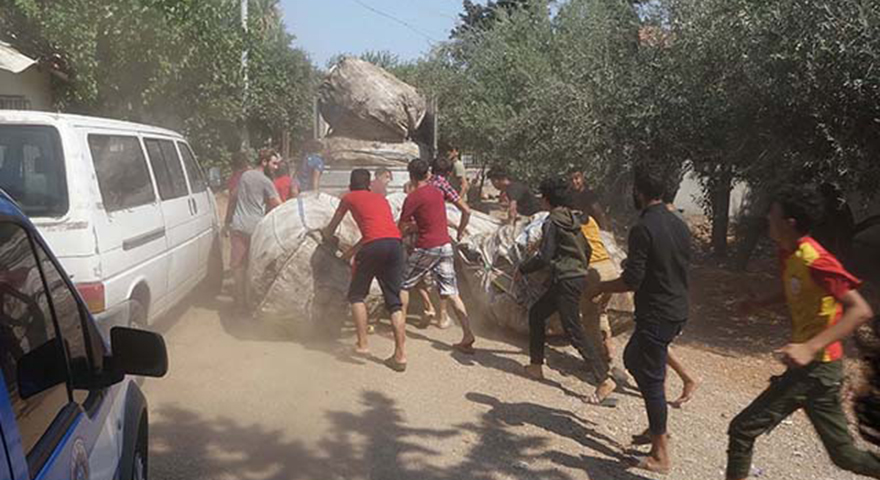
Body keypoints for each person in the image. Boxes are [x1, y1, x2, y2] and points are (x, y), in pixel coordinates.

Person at [726, 187, 880, 480]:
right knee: (844, 455)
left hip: (817, 367)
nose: (768, 217)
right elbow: (793, 288)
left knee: (742, 429)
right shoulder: (789, 254)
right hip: (816, 370)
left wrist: (810, 347)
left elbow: (860, 310)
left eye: (773, 213)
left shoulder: (818, 260)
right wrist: (758, 303)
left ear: (790, 222)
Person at [591, 165, 691, 474]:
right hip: (677, 307)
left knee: (651, 377)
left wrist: (599, 286)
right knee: (635, 359)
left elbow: (632, 280)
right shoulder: (679, 224)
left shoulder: (643, 227)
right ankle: (655, 425)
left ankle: (660, 453)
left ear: (638, 192)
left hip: (658, 312)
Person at [519, 177, 609, 387]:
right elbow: (587, 249)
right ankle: (535, 365)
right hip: (573, 277)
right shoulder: (573, 219)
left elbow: (544, 256)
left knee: (573, 330)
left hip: (566, 279)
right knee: (537, 313)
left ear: (547, 199)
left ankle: (603, 378)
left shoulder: (552, 222)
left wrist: (522, 269)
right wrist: (578, 268)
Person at [322, 169, 408, 372]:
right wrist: (352, 251)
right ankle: (401, 355)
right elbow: (378, 233)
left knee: (357, 295)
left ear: (351, 184)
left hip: (374, 247)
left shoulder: (349, 197)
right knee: (394, 302)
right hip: (395, 245)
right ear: (369, 184)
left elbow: (332, 227)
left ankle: (362, 344)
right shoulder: (381, 200)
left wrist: (325, 237)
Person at [399, 159, 476, 355]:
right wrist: (459, 230)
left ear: (411, 176)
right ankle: (467, 334)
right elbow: (464, 210)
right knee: (451, 292)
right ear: (427, 174)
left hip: (426, 247)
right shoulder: (439, 191)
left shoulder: (412, 198)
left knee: (403, 284)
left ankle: (399, 330)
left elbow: (402, 227)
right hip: (445, 246)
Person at [413, 157, 472, 330]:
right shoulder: (444, 186)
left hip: (420, 236)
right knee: (444, 280)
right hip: (440, 238)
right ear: (449, 173)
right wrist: (460, 229)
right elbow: (466, 211)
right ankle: (443, 315)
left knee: (412, 276)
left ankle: (427, 306)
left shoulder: (423, 185)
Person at [225, 150, 282, 310]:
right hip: (256, 228)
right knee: (255, 265)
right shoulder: (266, 182)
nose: (276, 167)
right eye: (274, 163)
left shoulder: (244, 176)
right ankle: (253, 303)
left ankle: (240, 303)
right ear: (264, 162)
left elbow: (233, 196)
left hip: (238, 226)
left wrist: (227, 222)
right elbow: (279, 204)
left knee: (238, 266)